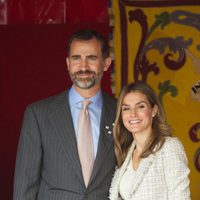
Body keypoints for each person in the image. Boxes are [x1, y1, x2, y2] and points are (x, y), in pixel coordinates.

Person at [13, 29, 117, 200]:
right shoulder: (38, 114)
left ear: (106, 63)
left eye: (91, 58)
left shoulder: (121, 112)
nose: (83, 67)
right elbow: (25, 183)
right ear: (68, 63)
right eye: (76, 58)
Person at [109, 81, 190, 200]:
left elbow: (180, 197)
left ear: (154, 110)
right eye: (126, 109)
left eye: (140, 106)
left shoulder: (169, 147)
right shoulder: (126, 151)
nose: (133, 114)